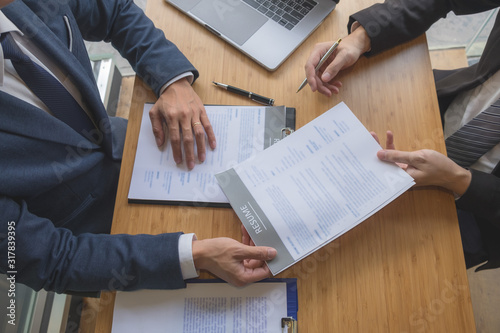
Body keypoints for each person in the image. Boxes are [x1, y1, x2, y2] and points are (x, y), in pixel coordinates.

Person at [0, 0, 276, 294]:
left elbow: (115, 11)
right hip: (109, 242)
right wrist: (192, 255)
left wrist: (171, 81)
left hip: (139, 148)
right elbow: (52, 259)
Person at [304, 0, 500, 270]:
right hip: (444, 106)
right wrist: (361, 38)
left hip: (480, 209)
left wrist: (458, 179)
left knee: (375, 265)